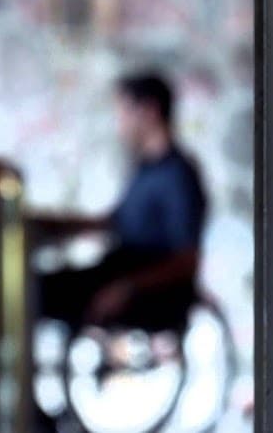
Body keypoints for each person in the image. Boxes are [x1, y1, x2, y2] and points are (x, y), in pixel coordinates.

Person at [30, 71, 207, 333]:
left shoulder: (177, 175)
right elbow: (115, 222)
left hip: (147, 290)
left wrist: (128, 287)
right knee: (32, 286)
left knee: (36, 293)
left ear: (149, 111)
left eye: (124, 112)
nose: (120, 124)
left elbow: (187, 259)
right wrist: (54, 226)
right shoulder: (146, 170)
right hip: (118, 271)